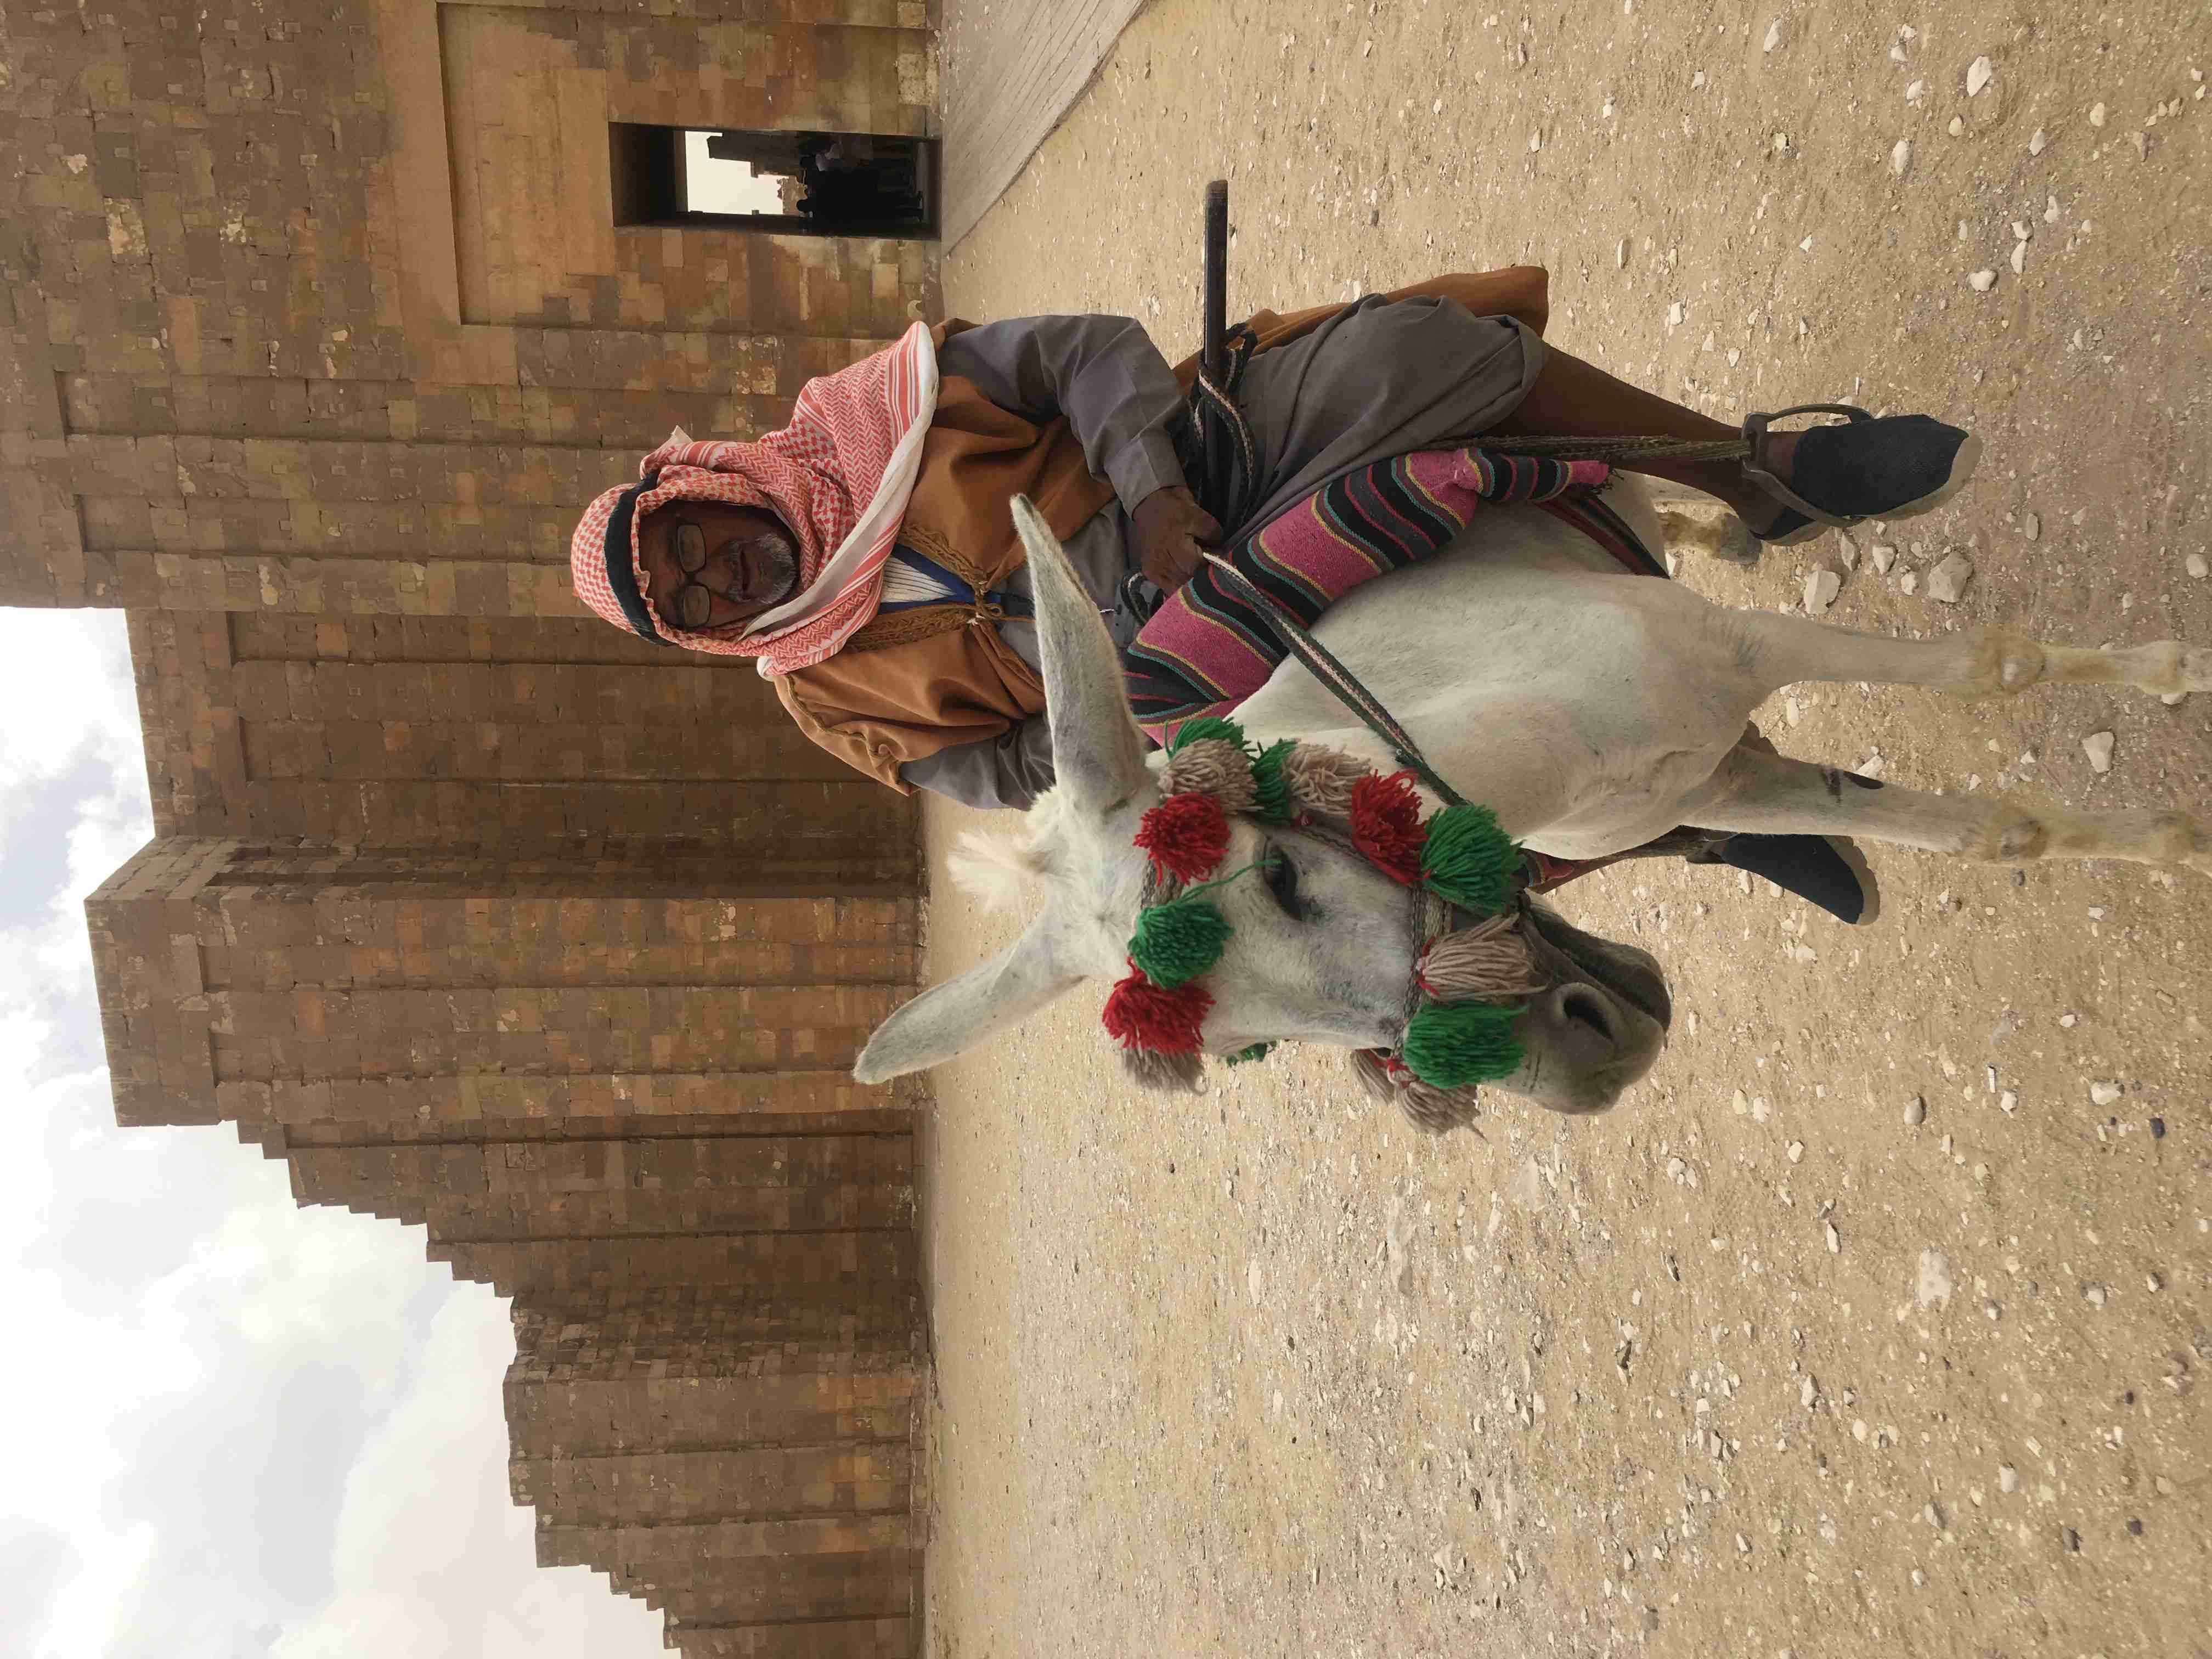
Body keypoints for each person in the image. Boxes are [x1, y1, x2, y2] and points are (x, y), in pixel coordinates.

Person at [568, 270, 1977, 919]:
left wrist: (1151, 489)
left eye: (692, 538)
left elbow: (1084, 351)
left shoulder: (879, 409)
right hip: (1165, 688)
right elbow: (991, 770)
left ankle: (1758, 475)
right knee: (1354, 874)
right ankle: (1701, 824)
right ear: (700, 634)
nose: (716, 570)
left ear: (708, 485)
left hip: (1197, 490)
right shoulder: (826, 699)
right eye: (687, 597)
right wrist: (1115, 714)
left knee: (1406, 356)